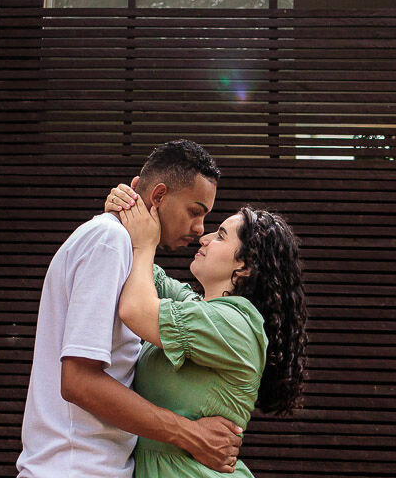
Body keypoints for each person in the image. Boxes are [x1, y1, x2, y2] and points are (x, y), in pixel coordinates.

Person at [17, 140, 246, 478]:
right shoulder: (109, 242)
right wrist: (191, 434)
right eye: (195, 211)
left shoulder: (129, 250)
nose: (200, 230)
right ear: (159, 197)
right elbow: (78, 381)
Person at [103, 183, 307, 478]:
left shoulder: (235, 325)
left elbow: (135, 308)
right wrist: (124, 212)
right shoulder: (198, 309)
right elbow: (146, 273)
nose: (205, 238)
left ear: (245, 266)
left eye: (221, 235)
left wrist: (144, 244)